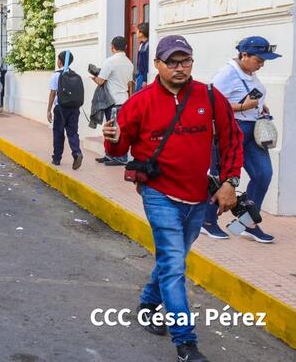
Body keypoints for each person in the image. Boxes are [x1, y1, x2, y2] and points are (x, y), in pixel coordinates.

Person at [102, 35, 243, 362]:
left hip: (197, 198)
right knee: (174, 264)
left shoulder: (209, 96)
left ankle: (148, 304)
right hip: (158, 194)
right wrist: (113, 140)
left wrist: (230, 181)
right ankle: (186, 343)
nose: (180, 68)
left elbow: (231, 137)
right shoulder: (141, 101)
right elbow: (119, 150)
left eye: (185, 61)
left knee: (171, 261)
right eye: (172, 62)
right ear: (158, 65)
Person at [201, 36, 281, 243]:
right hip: (229, 130)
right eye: (259, 59)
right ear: (244, 55)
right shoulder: (227, 73)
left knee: (263, 174)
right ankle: (207, 222)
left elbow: (247, 99)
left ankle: (245, 224)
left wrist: (260, 107)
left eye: (264, 61)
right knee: (219, 178)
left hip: (252, 131)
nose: (262, 64)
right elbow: (211, 105)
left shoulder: (250, 73)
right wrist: (243, 107)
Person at [92, 36, 134, 166]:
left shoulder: (109, 61)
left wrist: (94, 78)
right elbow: (129, 84)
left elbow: (101, 80)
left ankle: (120, 158)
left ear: (112, 47)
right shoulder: (129, 63)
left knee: (113, 129)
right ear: (125, 47)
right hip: (124, 100)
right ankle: (110, 155)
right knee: (116, 129)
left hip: (112, 100)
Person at [47, 51, 83, 170]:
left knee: (58, 132)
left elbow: (53, 94)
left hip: (61, 108)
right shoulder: (75, 75)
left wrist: (48, 110)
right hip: (74, 108)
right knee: (72, 132)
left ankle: (57, 158)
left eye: (58, 60)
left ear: (60, 61)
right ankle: (77, 152)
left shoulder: (56, 75)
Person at [135, 23, 149, 91]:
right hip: (139, 75)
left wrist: (145, 80)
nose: (136, 32)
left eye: (137, 30)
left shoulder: (148, 45)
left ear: (142, 33)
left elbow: (147, 64)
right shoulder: (141, 44)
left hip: (143, 77)